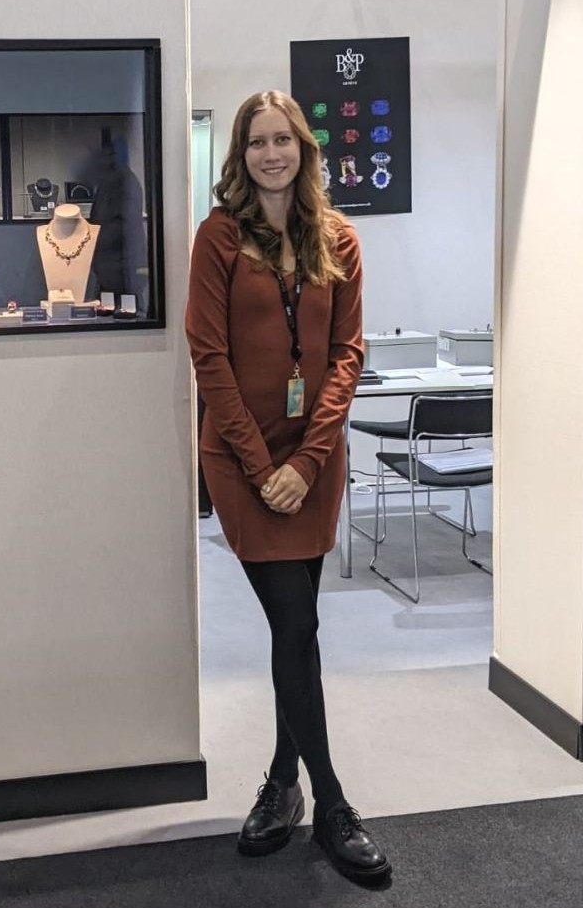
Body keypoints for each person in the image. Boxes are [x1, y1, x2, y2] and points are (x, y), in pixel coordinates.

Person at [185, 90, 390, 886]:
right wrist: (261, 464)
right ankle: (333, 802)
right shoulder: (218, 237)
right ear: (240, 155)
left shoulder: (338, 238)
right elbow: (209, 355)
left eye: (284, 139)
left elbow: (347, 354)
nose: (272, 153)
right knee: (295, 620)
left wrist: (307, 461)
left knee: (294, 630)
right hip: (244, 465)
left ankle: (281, 780)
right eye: (257, 141)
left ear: (304, 148)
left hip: (313, 461)